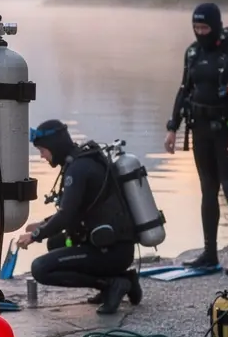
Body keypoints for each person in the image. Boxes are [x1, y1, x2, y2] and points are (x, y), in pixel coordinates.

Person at [164, 3, 228, 274]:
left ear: (216, 25)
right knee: (207, 191)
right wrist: (173, 127)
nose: (200, 32)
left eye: (205, 27)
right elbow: (184, 90)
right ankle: (209, 252)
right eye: (196, 27)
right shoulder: (193, 52)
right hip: (200, 130)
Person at [16, 120, 141, 314]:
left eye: (42, 150)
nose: (41, 156)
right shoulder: (84, 161)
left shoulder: (78, 169)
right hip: (115, 247)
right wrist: (43, 224)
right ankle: (125, 279)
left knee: (40, 268)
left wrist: (35, 236)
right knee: (55, 243)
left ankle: (111, 284)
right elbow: (77, 210)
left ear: (54, 145)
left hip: (111, 251)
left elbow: (66, 215)